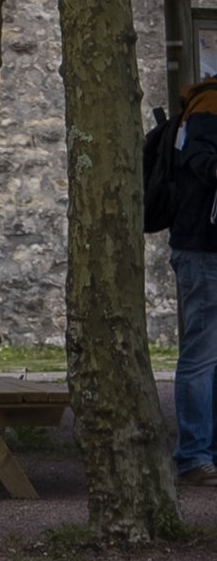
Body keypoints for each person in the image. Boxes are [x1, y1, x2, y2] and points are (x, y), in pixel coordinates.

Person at [157, 74, 217, 482]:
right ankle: (193, 455)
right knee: (201, 355)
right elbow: (200, 161)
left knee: (206, 354)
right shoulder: (209, 105)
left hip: (203, 246)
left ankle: (201, 452)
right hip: (204, 249)